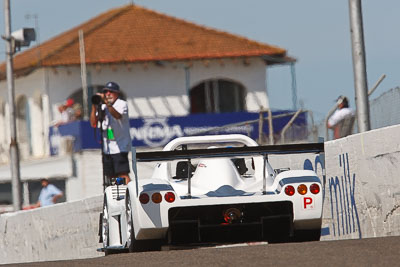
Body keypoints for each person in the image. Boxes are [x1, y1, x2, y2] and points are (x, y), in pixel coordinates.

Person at [90, 81, 131, 184]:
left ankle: (129, 192)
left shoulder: (121, 104)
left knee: (122, 174)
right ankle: (114, 193)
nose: (108, 94)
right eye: (106, 92)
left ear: (117, 93)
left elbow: (117, 116)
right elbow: (93, 123)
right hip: (107, 147)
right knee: (110, 175)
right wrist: (94, 106)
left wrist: (107, 103)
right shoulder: (102, 107)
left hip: (120, 146)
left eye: (111, 92)